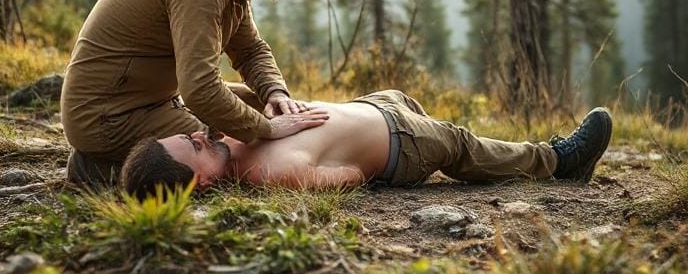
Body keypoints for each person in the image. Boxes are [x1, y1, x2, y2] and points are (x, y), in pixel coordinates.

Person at [61, 0, 327, 187]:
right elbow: (200, 89)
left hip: (154, 100)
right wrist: (266, 129)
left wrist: (275, 92)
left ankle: (120, 160)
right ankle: (99, 166)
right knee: (225, 152)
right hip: (107, 117)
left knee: (267, 110)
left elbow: (250, 50)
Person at [120, 90, 613, 200]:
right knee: (462, 146)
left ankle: (406, 111)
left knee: (403, 98)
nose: (201, 134)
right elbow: (352, 177)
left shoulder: (224, 138)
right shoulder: (273, 176)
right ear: (202, 183)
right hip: (400, 143)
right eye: (194, 145)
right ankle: (558, 160)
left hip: (373, 105)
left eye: (189, 133)